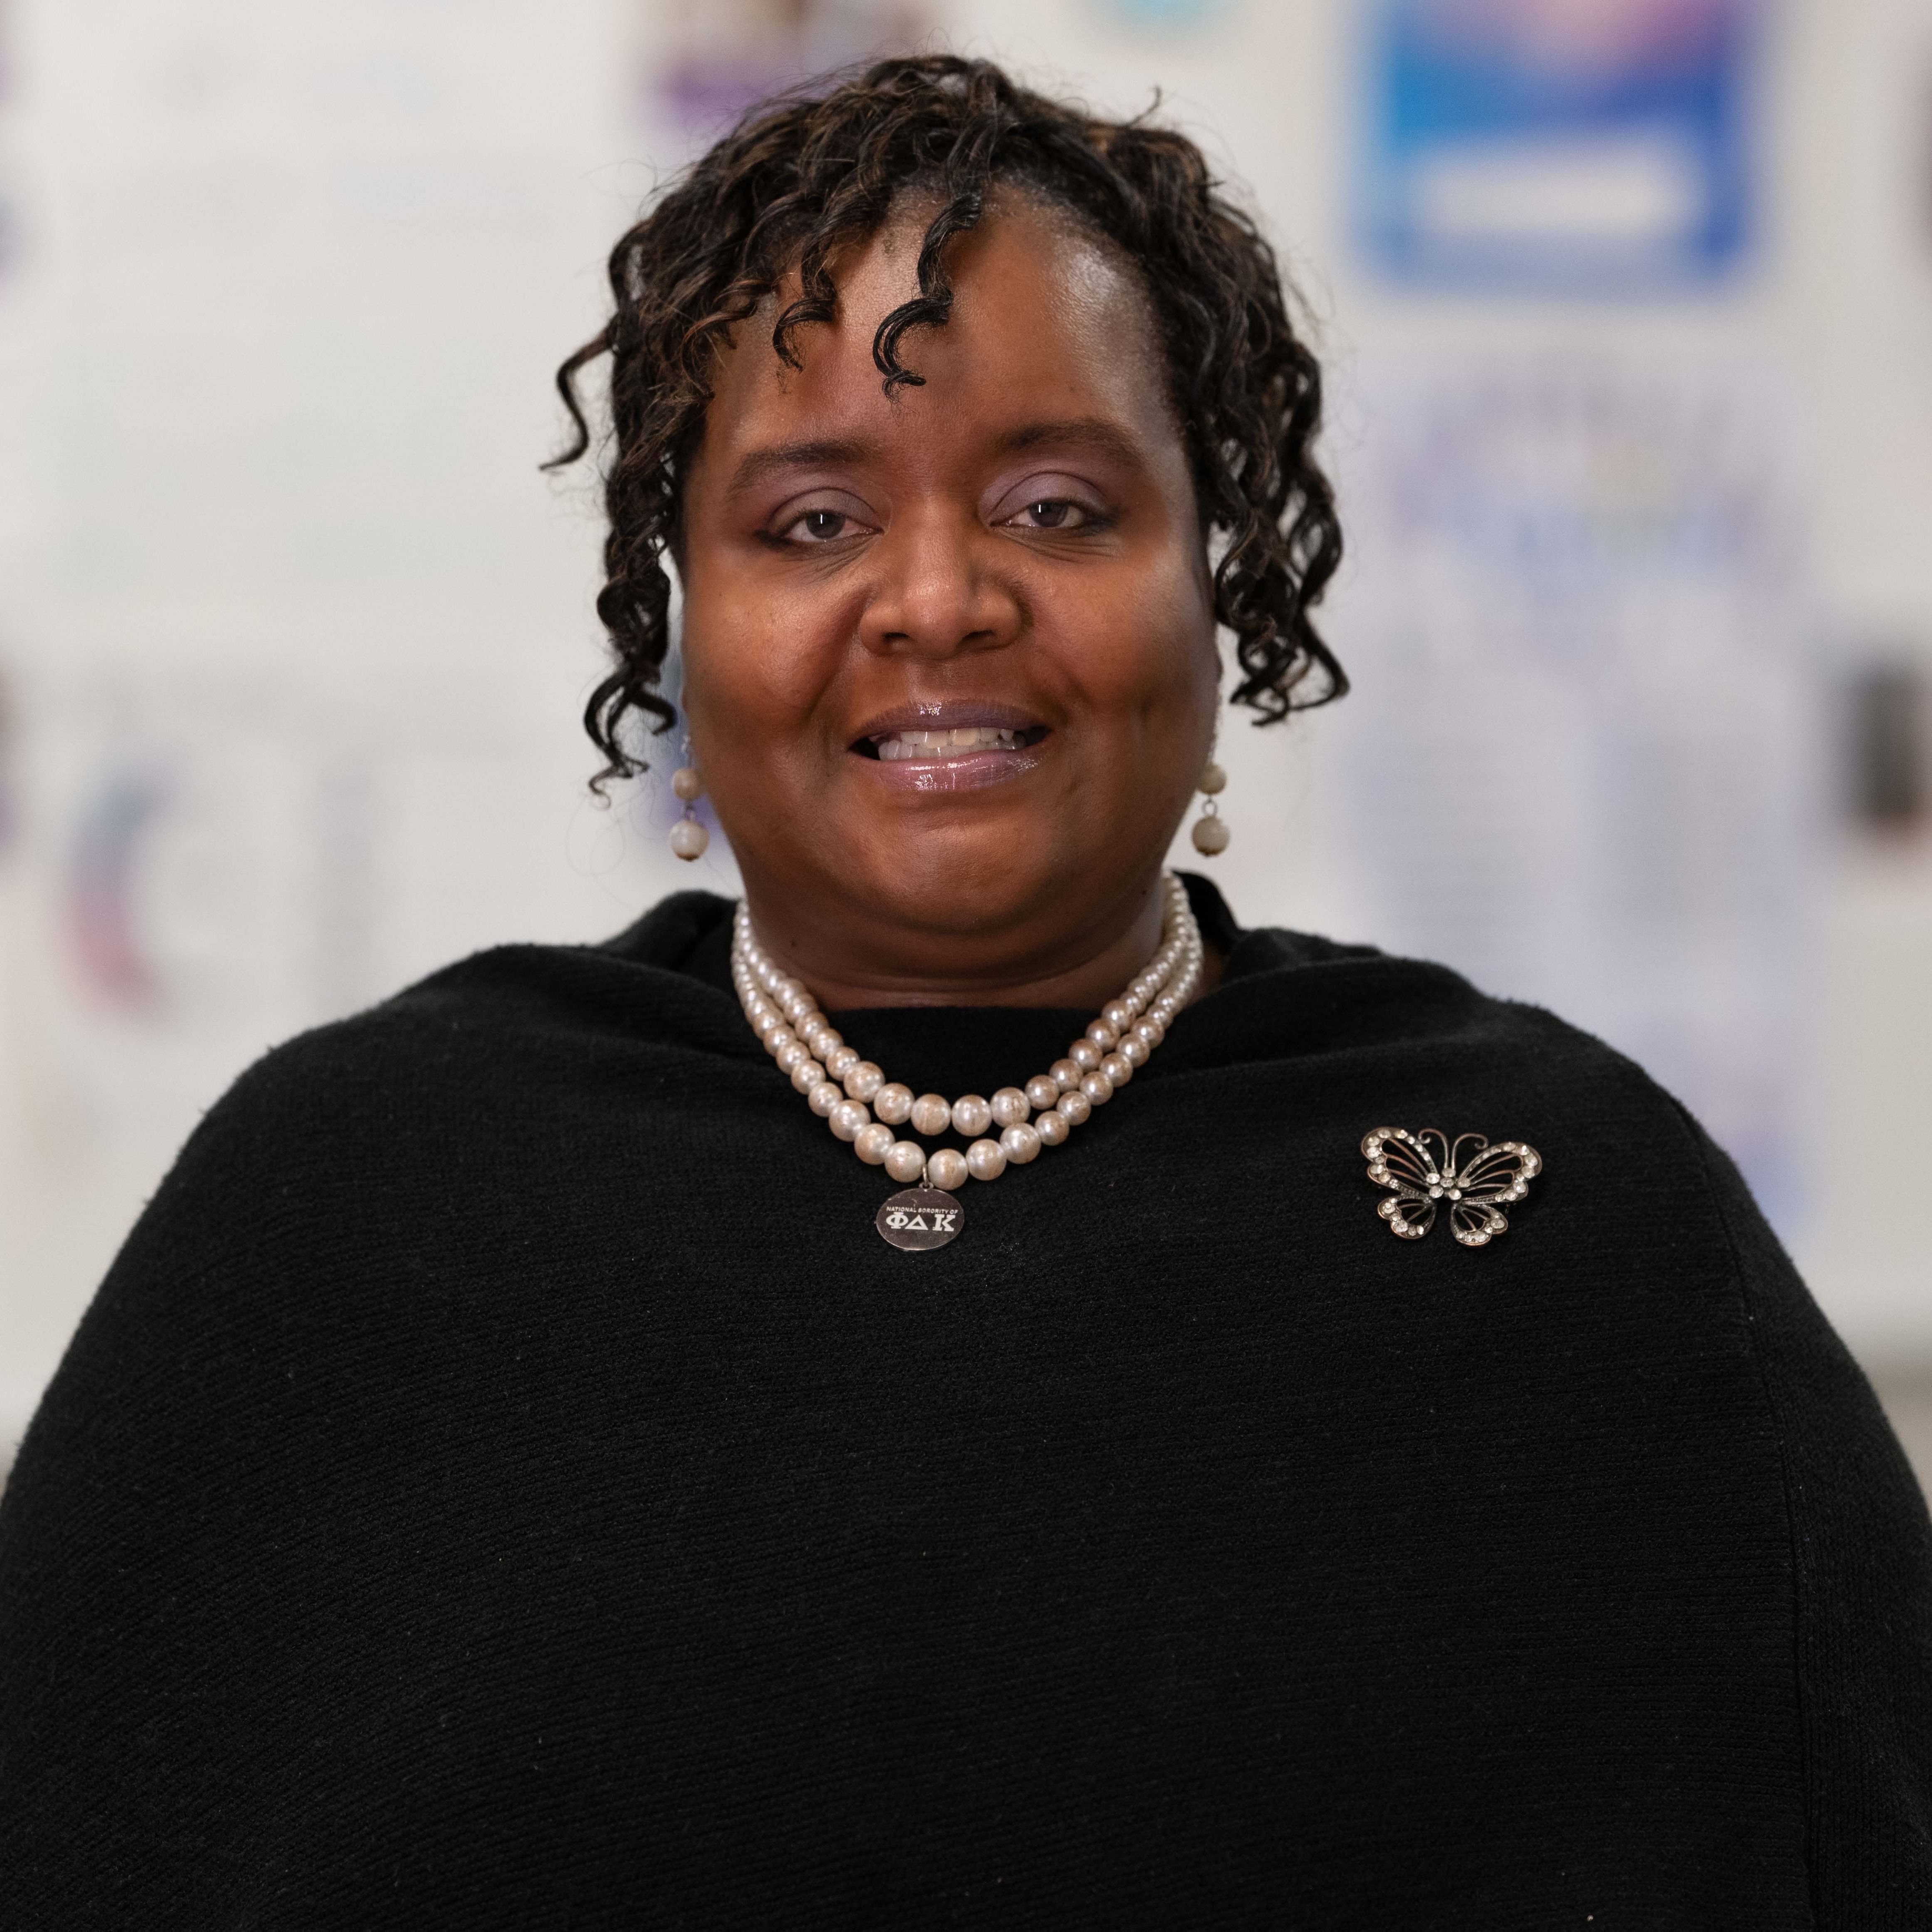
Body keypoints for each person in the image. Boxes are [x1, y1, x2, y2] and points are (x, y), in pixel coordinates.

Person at [2, 55, 1927, 1928]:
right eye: (813, 523)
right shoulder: (359, 1198)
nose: (938, 601)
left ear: (1217, 583)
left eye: (1061, 508)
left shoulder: (1558, 1205)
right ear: (683, 614)